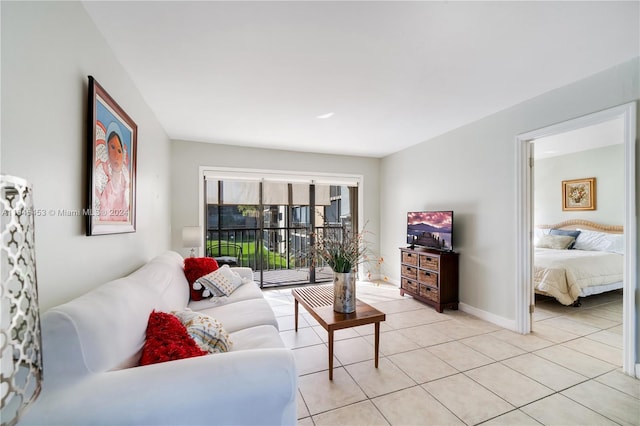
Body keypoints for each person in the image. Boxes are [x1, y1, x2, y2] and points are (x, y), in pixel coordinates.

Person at [94, 121, 129, 221]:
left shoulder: (125, 183)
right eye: (112, 147)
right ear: (107, 149)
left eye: (119, 151)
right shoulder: (102, 173)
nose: (116, 156)